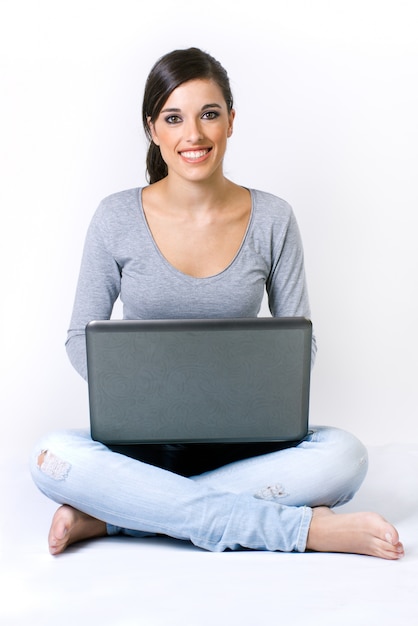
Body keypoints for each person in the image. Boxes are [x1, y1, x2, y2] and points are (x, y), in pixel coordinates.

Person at [30, 47, 404, 560]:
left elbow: (299, 345)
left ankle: (118, 515)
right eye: (173, 118)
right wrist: (143, 389)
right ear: (152, 129)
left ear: (231, 120)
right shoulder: (114, 217)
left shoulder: (273, 218)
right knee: (50, 456)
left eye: (209, 114)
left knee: (345, 457)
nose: (194, 135)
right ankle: (299, 531)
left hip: (246, 447)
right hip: (142, 450)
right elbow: (78, 338)